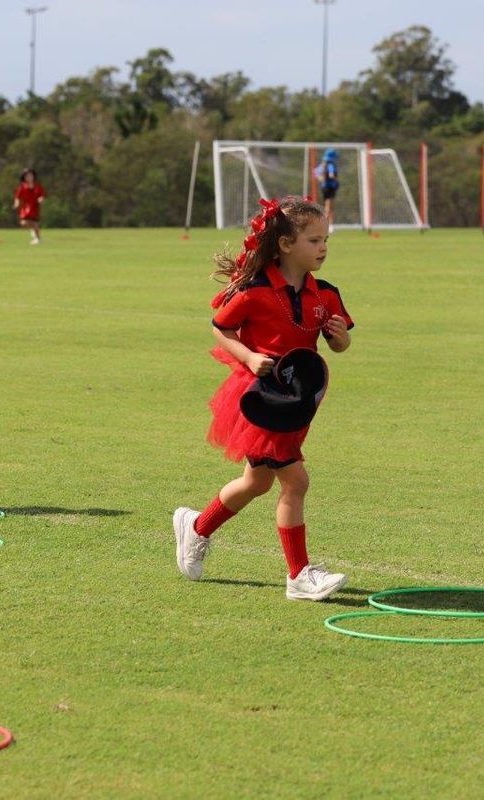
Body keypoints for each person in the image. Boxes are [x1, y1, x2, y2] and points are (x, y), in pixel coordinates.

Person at [173, 196, 354, 601]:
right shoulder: (254, 291)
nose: (323, 248)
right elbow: (221, 327)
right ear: (286, 244)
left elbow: (338, 345)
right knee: (296, 480)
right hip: (260, 400)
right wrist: (249, 357)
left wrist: (341, 339)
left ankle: (197, 527)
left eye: (326, 240)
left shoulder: (326, 295)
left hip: (297, 401)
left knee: (256, 482)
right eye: (314, 240)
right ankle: (299, 575)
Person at [13, 169, 45, 244]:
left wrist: (41, 199)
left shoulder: (37, 186)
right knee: (24, 223)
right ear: (24, 177)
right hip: (25, 208)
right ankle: (34, 232)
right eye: (27, 176)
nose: (29, 177)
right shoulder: (22, 187)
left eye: (31, 175)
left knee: (35, 223)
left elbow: (42, 194)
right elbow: (17, 197)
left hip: (35, 207)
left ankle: (37, 239)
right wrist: (16, 203)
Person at [315, 149, 340, 231]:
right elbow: (331, 175)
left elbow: (317, 174)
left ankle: (329, 225)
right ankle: (327, 225)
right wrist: (336, 180)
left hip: (325, 188)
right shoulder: (331, 165)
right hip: (330, 188)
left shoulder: (321, 166)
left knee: (327, 207)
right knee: (329, 207)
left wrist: (322, 180)